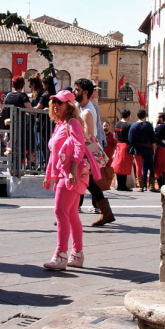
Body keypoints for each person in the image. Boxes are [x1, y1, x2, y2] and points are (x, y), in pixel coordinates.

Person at [42, 90, 96, 271]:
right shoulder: (60, 124)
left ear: (69, 105)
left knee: (60, 212)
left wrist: (72, 170)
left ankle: (61, 255)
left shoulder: (72, 122)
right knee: (71, 215)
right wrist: (49, 175)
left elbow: (79, 146)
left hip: (71, 175)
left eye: (61, 102)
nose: (56, 105)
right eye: (54, 102)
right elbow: (54, 154)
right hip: (64, 175)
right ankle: (77, 254)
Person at [73, 78, 115, 226]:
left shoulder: (87, 112)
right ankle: (106, 213)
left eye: (77, 90)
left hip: (86, 153)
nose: (74, 92)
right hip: (84, 152)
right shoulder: (80, 107)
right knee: (89, 183)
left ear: (85, 92)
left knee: (81, 182)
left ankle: (67, 213)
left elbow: (88, 136)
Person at [128, 109, 157, 192]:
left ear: (137, 116)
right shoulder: (149, 126)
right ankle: (151, 185)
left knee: (138, 167)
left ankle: (141, 186)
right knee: (151, 166)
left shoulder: (133, 126)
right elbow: (153, 139)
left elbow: (130, 140)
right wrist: (154, 149)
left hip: (137, 148)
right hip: (148, 148)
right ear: (145, 116)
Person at [111, 110, 136, 192]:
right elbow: (131, 137)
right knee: (125, 166)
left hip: (119, 146)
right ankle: (123, 185)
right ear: (128, 116)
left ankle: (119, 185)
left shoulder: (117, 124)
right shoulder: (129, 125)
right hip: (126, 146)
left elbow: (115, 137)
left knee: (118, 166)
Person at [154, 112, 165, 190]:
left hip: (160, 148)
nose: (157, 119)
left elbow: (155, 138)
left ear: (161, 118)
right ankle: (163, 184)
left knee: (158, 167)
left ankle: (161, 185)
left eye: (157, 117)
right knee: (163, 167)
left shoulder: (159, 128)